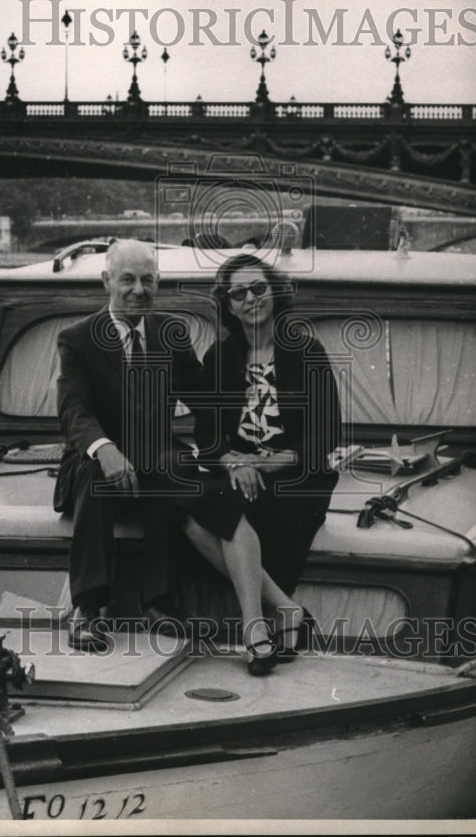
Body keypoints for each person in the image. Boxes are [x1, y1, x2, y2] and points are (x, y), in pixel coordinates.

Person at [176, 252, 341, 675]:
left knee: (224, 511)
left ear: (274, 293)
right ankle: (280, 614)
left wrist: (271, 463)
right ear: (228, 305)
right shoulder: (219, 358)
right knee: (193, 518)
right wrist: (233, 461)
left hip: (298, 475)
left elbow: (327, 433)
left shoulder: (305, 350)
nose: (251, 298)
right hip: (241, 474)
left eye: (258, 288)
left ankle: (257, 631)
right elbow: (208, 435)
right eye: (239, 293)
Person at [54, 239, 203, 651]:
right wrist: (104, 448)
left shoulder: (170, 333)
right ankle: (88, 608)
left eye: (147, 280)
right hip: (97, 464)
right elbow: (74, 410)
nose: (139, 289)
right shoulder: (77, 339)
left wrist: (239, 446)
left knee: (178, 464)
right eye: (127, 279)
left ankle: (159, 602)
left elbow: (205, 397)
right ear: (107, 281)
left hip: (154, 460)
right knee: (94, 470)